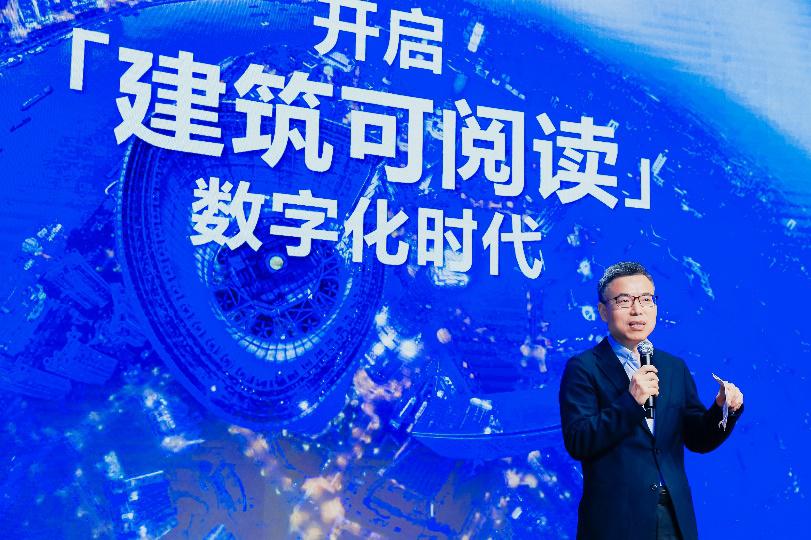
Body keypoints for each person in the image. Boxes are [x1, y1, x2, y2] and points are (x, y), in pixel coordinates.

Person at [558, 261, 744, 540]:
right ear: (603, 311)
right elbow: (579, 441)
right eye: (624, 301)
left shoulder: (673, 367)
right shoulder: (584, 368)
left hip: (672, 517)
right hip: (616, 522)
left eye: (646, 299)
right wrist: (631, 402)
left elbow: (698, 439)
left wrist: (723, 409)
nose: (637, 310)